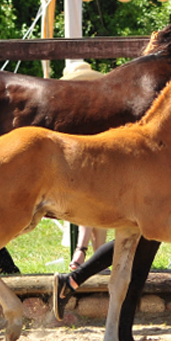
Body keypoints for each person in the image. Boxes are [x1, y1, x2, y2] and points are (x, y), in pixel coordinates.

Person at [60, 61, 108, 271]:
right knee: (92, 197)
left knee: (97, 199)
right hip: (80, 169)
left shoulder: (97, 109)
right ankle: (88, 251)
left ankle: (85, 251)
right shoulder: (70, 112)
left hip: (96, 167)